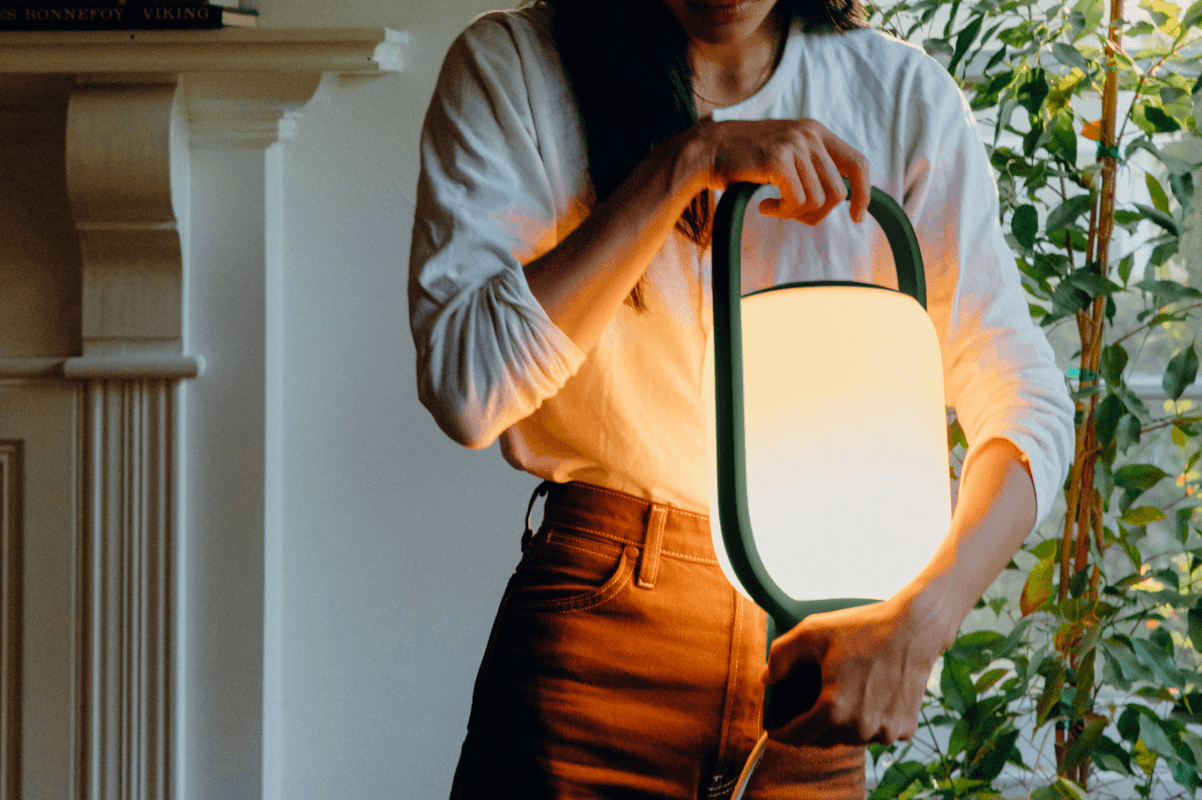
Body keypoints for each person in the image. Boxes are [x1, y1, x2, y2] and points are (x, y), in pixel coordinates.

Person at [408, 0, 1075, 795]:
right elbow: (466, 387)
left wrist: (923, 623)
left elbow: (1025, 397)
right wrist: (685, 164)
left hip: (813, 651)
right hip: (597, 651)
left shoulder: (897, 95)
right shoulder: (517, 68)